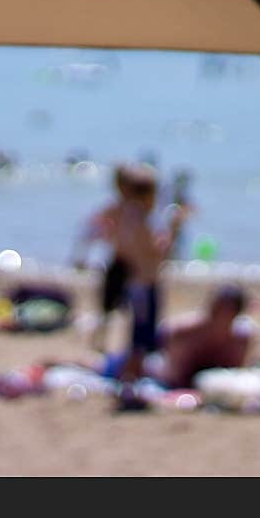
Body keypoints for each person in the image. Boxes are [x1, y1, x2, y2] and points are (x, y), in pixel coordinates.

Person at [110, 164, 185, 384]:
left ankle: (133, 376)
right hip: (144, 283)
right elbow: (158, 253)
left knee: (139, 334)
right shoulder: (140, 221)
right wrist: (174, 230)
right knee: (142, 337)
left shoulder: (125, 216)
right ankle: (132, 378)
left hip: (136, 282)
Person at [71, 165, 132, 350]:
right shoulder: (115, 209)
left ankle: (112, 344)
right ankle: (99, 343)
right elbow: (91, 231)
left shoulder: (130, 209)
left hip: (130, 266)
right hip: (119, 264)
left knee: (124, 311)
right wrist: (81, 255)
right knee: (107, 310)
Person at [159, 285, 257, 387]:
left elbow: (237, 375)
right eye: (215, 308)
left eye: (225, 310)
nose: (217, 314)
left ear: (236, 313)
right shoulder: (183, 332)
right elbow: (174, 375)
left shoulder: (241, 339)